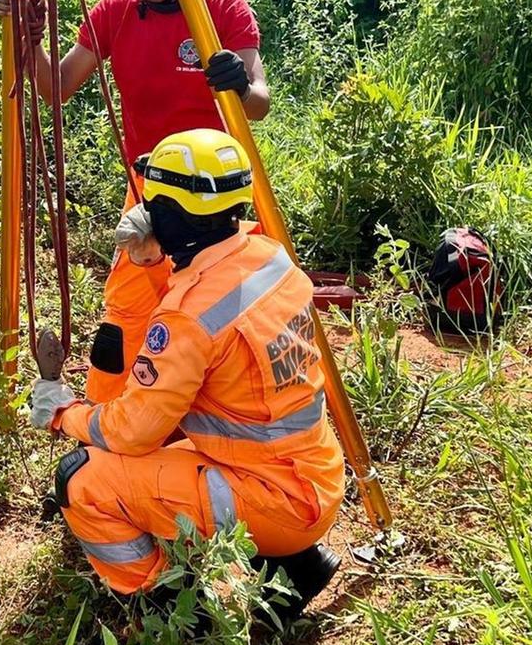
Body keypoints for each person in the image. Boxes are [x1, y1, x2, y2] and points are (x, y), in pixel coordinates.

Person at [29, 128, 343, 616]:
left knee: (82, 478)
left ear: (176, 216)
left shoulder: (186, 318)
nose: (145, 211)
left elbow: (132, 430)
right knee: (172, 438)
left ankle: (170, 610)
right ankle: (297, 566)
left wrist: (64, 413)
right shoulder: (268, 256)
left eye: (155, 203)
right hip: (314, 474)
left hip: (275, 500)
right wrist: (158, 256)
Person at [0, 0, 270, 402]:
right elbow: (55, 86)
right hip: (149, 189)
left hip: (219, 193)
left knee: (223, 306)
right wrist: (25, 34)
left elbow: (258, 102)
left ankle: (213, 408)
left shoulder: (223, 9)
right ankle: (107, 415)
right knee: (128, 306)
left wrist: (239, 82)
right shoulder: (115, 14)